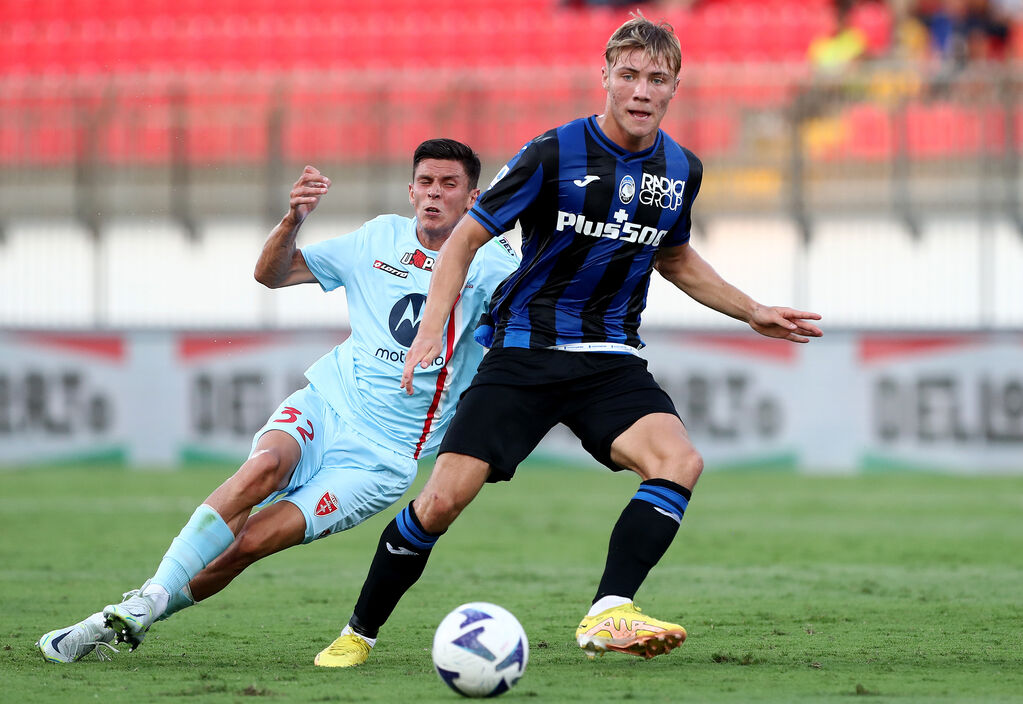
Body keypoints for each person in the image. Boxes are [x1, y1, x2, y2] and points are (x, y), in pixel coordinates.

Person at [320, 14, 823, 668]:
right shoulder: (552, 153)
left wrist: (750, 310)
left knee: (679, 462)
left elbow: (673, 257)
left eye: (657, 79)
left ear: (675, 87)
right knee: (441, 500)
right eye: (630, 75)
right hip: (524, 352)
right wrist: (430, 331)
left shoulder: (680, 169)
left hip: (609, 358)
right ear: (606, 78)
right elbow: (467, 239)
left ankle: (609, 611)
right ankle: (359, 632)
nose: (641, 90)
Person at [36, 138, 519, 665]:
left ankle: (142, 612)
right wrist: (292, 220)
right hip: (329, 404)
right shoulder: (378, 238)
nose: (434, 195)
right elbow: (271, 274)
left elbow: (525, 340)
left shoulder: (496, 268)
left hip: (383, 457)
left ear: (473, 198)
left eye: (449, 185)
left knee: (250, 543)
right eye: (426, 182)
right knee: (262, 468)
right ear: (410, 190)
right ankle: (143, 602)